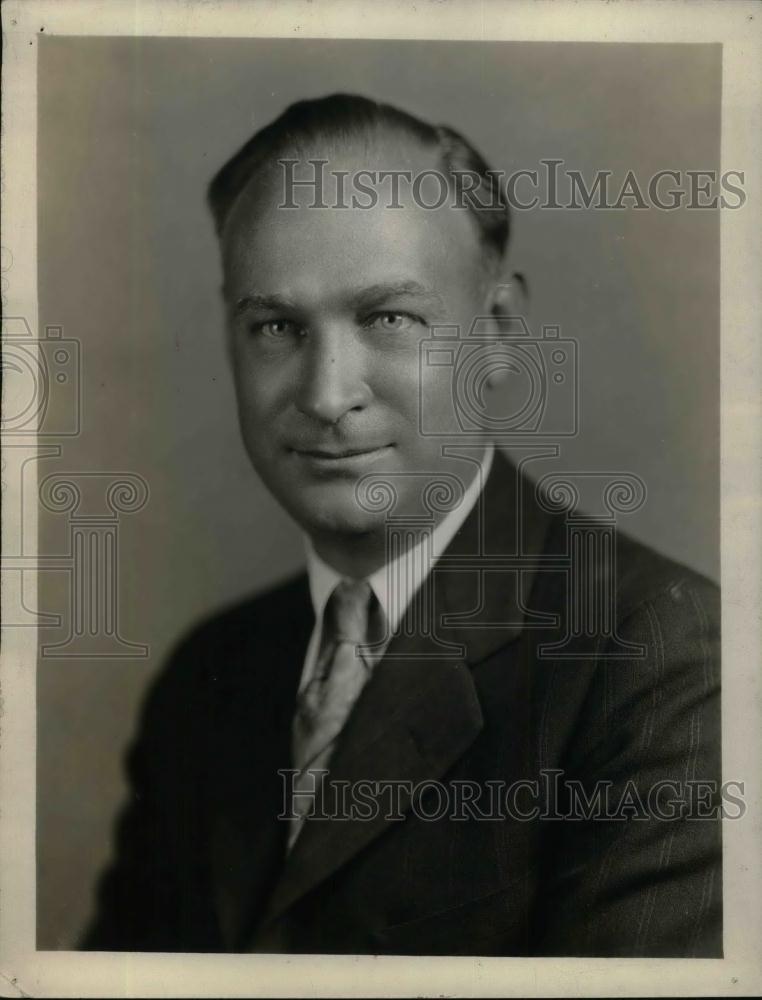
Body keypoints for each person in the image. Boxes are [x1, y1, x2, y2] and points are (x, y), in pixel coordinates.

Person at [81, 94, 721, 956]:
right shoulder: (212, 675)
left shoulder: (664, 660)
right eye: (276, 326)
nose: (324, 394)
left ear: (496, 333)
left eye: (388, 318)